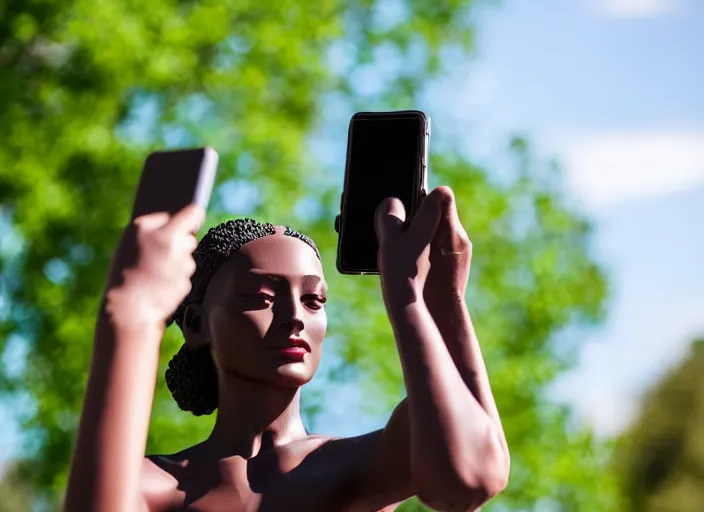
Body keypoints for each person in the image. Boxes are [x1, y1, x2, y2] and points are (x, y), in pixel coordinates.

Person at [64, 186, 510, 512]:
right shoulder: (153, 485)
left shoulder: (358, 466)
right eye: (261, 298)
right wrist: (132, 320)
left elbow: (470, 477)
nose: (295, 315)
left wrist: (431, 300)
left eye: (314, 300)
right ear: (198, 323)